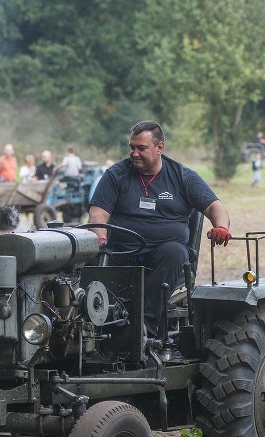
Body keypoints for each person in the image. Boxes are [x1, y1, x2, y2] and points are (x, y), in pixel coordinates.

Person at [88, 120, 231, 335]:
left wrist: (221, 226)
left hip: (163, 256)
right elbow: (98, 213)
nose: (134, 153)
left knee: (174, 252)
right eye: (132, 148)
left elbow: (214, 206)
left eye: (141, 148)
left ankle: (143, 328)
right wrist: (100, 240)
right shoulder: (115, 175)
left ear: (159, 147)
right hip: (120, 252)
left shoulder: (183, 176)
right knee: (86, 258)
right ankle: (90, 325)